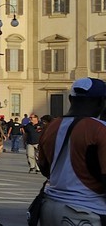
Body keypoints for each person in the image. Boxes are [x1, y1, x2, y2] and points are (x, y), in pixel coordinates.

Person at [36, 77, 106, 226]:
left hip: (49, 207)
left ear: (70, 99)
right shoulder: (101, 129)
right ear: (101, 102)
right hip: (86, 210)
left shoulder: (51, 127)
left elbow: (44, 168)